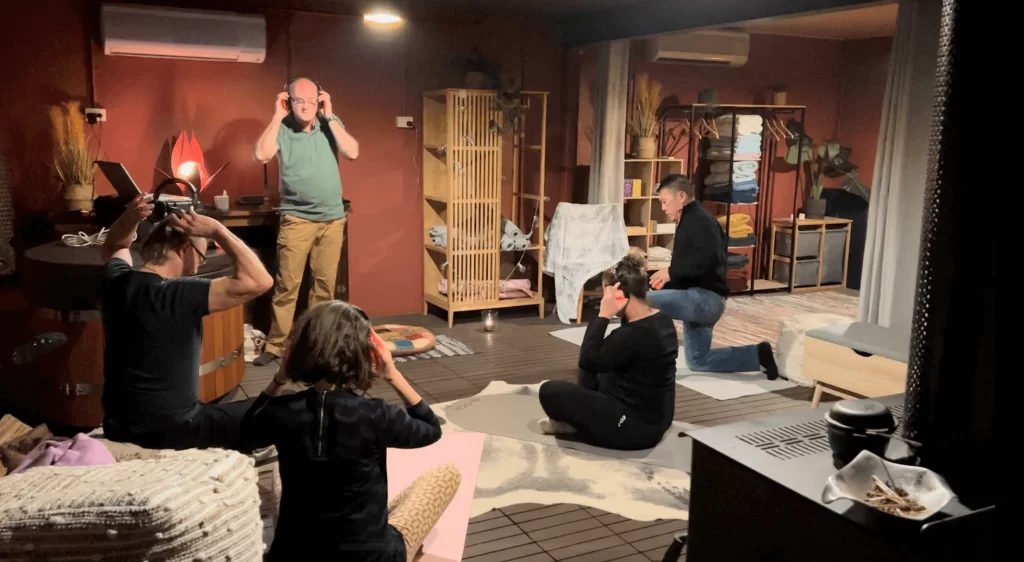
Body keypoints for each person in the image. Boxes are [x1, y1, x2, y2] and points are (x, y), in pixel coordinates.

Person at [242, 300, 460, 562]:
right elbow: (430, 429)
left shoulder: (281, 411)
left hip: (296, 554)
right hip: (371, 555)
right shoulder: (375, 414)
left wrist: (278, 379)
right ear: (364, 353)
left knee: (279, 470)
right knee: (447, 475)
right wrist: (392, 374)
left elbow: (246, 432)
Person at [100, 194, 274, 451]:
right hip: (176, 430)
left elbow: (114, 245)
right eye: (201, 258)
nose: (197, 268)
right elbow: (260, 281)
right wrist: (218, 229)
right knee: (280, 410)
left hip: (117, 426)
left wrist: (129, 220)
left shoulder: (117, 282)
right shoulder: (178, 294)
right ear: (184, 249)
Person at [252, 77, 360, 366]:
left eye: (311, 100)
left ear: (320, 100)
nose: (305, 107)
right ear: (287, 101)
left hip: (332, 220)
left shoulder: (329, 125)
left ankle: (318, 344)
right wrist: (276, 115)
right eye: (298, 100)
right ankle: (275, 345)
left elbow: (352, 152)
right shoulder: (283, 128)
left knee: (324, 287)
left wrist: (330, 114)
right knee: (287, 284)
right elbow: (261, 153)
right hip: (297, 219)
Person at [537, 254, 678, 450]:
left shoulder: (631, 335)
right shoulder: (663, 320)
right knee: (598, 360)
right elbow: (596, 358)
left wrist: (603, 314)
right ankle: (586, 420)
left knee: (549, 391)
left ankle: (578, 425)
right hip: (659, 420)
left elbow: (586, 359)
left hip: (633, 429)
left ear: (620, 295)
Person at [647, 174, 779, 379]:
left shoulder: (700, 221)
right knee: (698, 361)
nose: (663, 208)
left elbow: (705, 262)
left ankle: (629, 362)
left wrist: (670, 272)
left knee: (637, 298)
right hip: (698, 299)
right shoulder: (691, 219)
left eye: (664, 202)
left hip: (705, 300)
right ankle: (757, 355)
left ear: (681, 197)